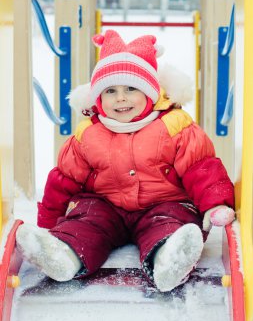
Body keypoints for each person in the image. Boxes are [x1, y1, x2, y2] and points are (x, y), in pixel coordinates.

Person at [16, 30, 235, 292]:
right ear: (98, 98)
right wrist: (49, 221)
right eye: (111, 91)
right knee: (85, 222)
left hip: (164, 203)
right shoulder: (88, 134)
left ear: (151, 93)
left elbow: (201, 168)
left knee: (171, 222)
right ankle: (63, 254)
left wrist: (215, 205)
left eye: (131, 88)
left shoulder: (175, 126)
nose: (121, 98)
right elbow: (64, 179)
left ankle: (169, 259)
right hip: (105, 206)